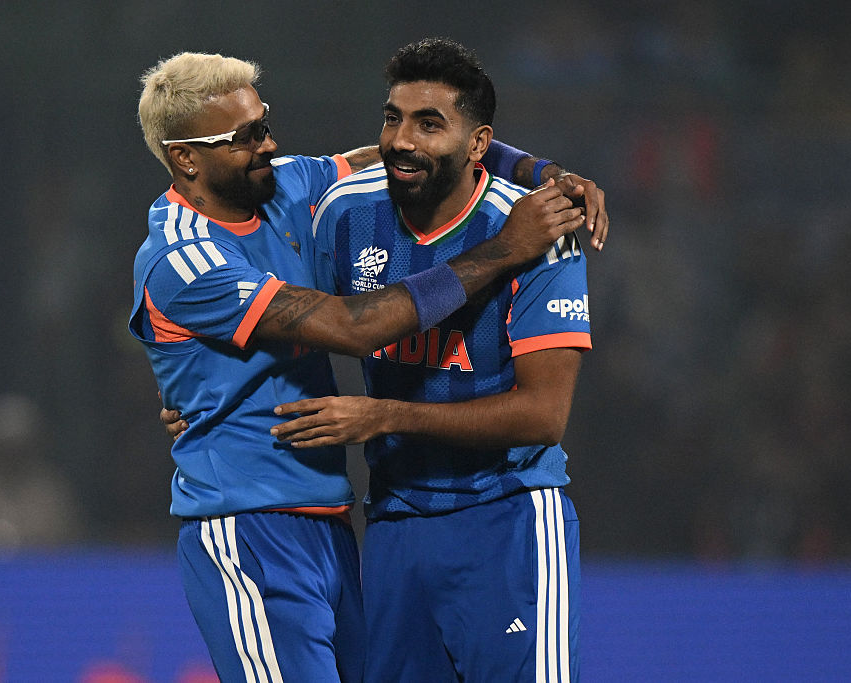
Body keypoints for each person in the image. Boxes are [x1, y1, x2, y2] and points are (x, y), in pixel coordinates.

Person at [132, 51, 605, 683]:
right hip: (249, 527)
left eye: (264, 122)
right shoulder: (183, 258)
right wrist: (504, 251)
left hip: (347, 525)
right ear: (186, 156)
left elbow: (417, 150)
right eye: (244, 137)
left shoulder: (289, 188)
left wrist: (547, 170)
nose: (268, 143)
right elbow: (353, 329)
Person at [268, 38, 591, 682]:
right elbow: (280, 316)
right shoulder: (343, 214)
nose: (402, 140)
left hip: (508, 520)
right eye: (392, 118)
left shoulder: (538, 232)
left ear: (478, 144)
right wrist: (203, 401)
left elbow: (543, 416)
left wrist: (382, 415)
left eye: (429, 123)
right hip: (392, 526)